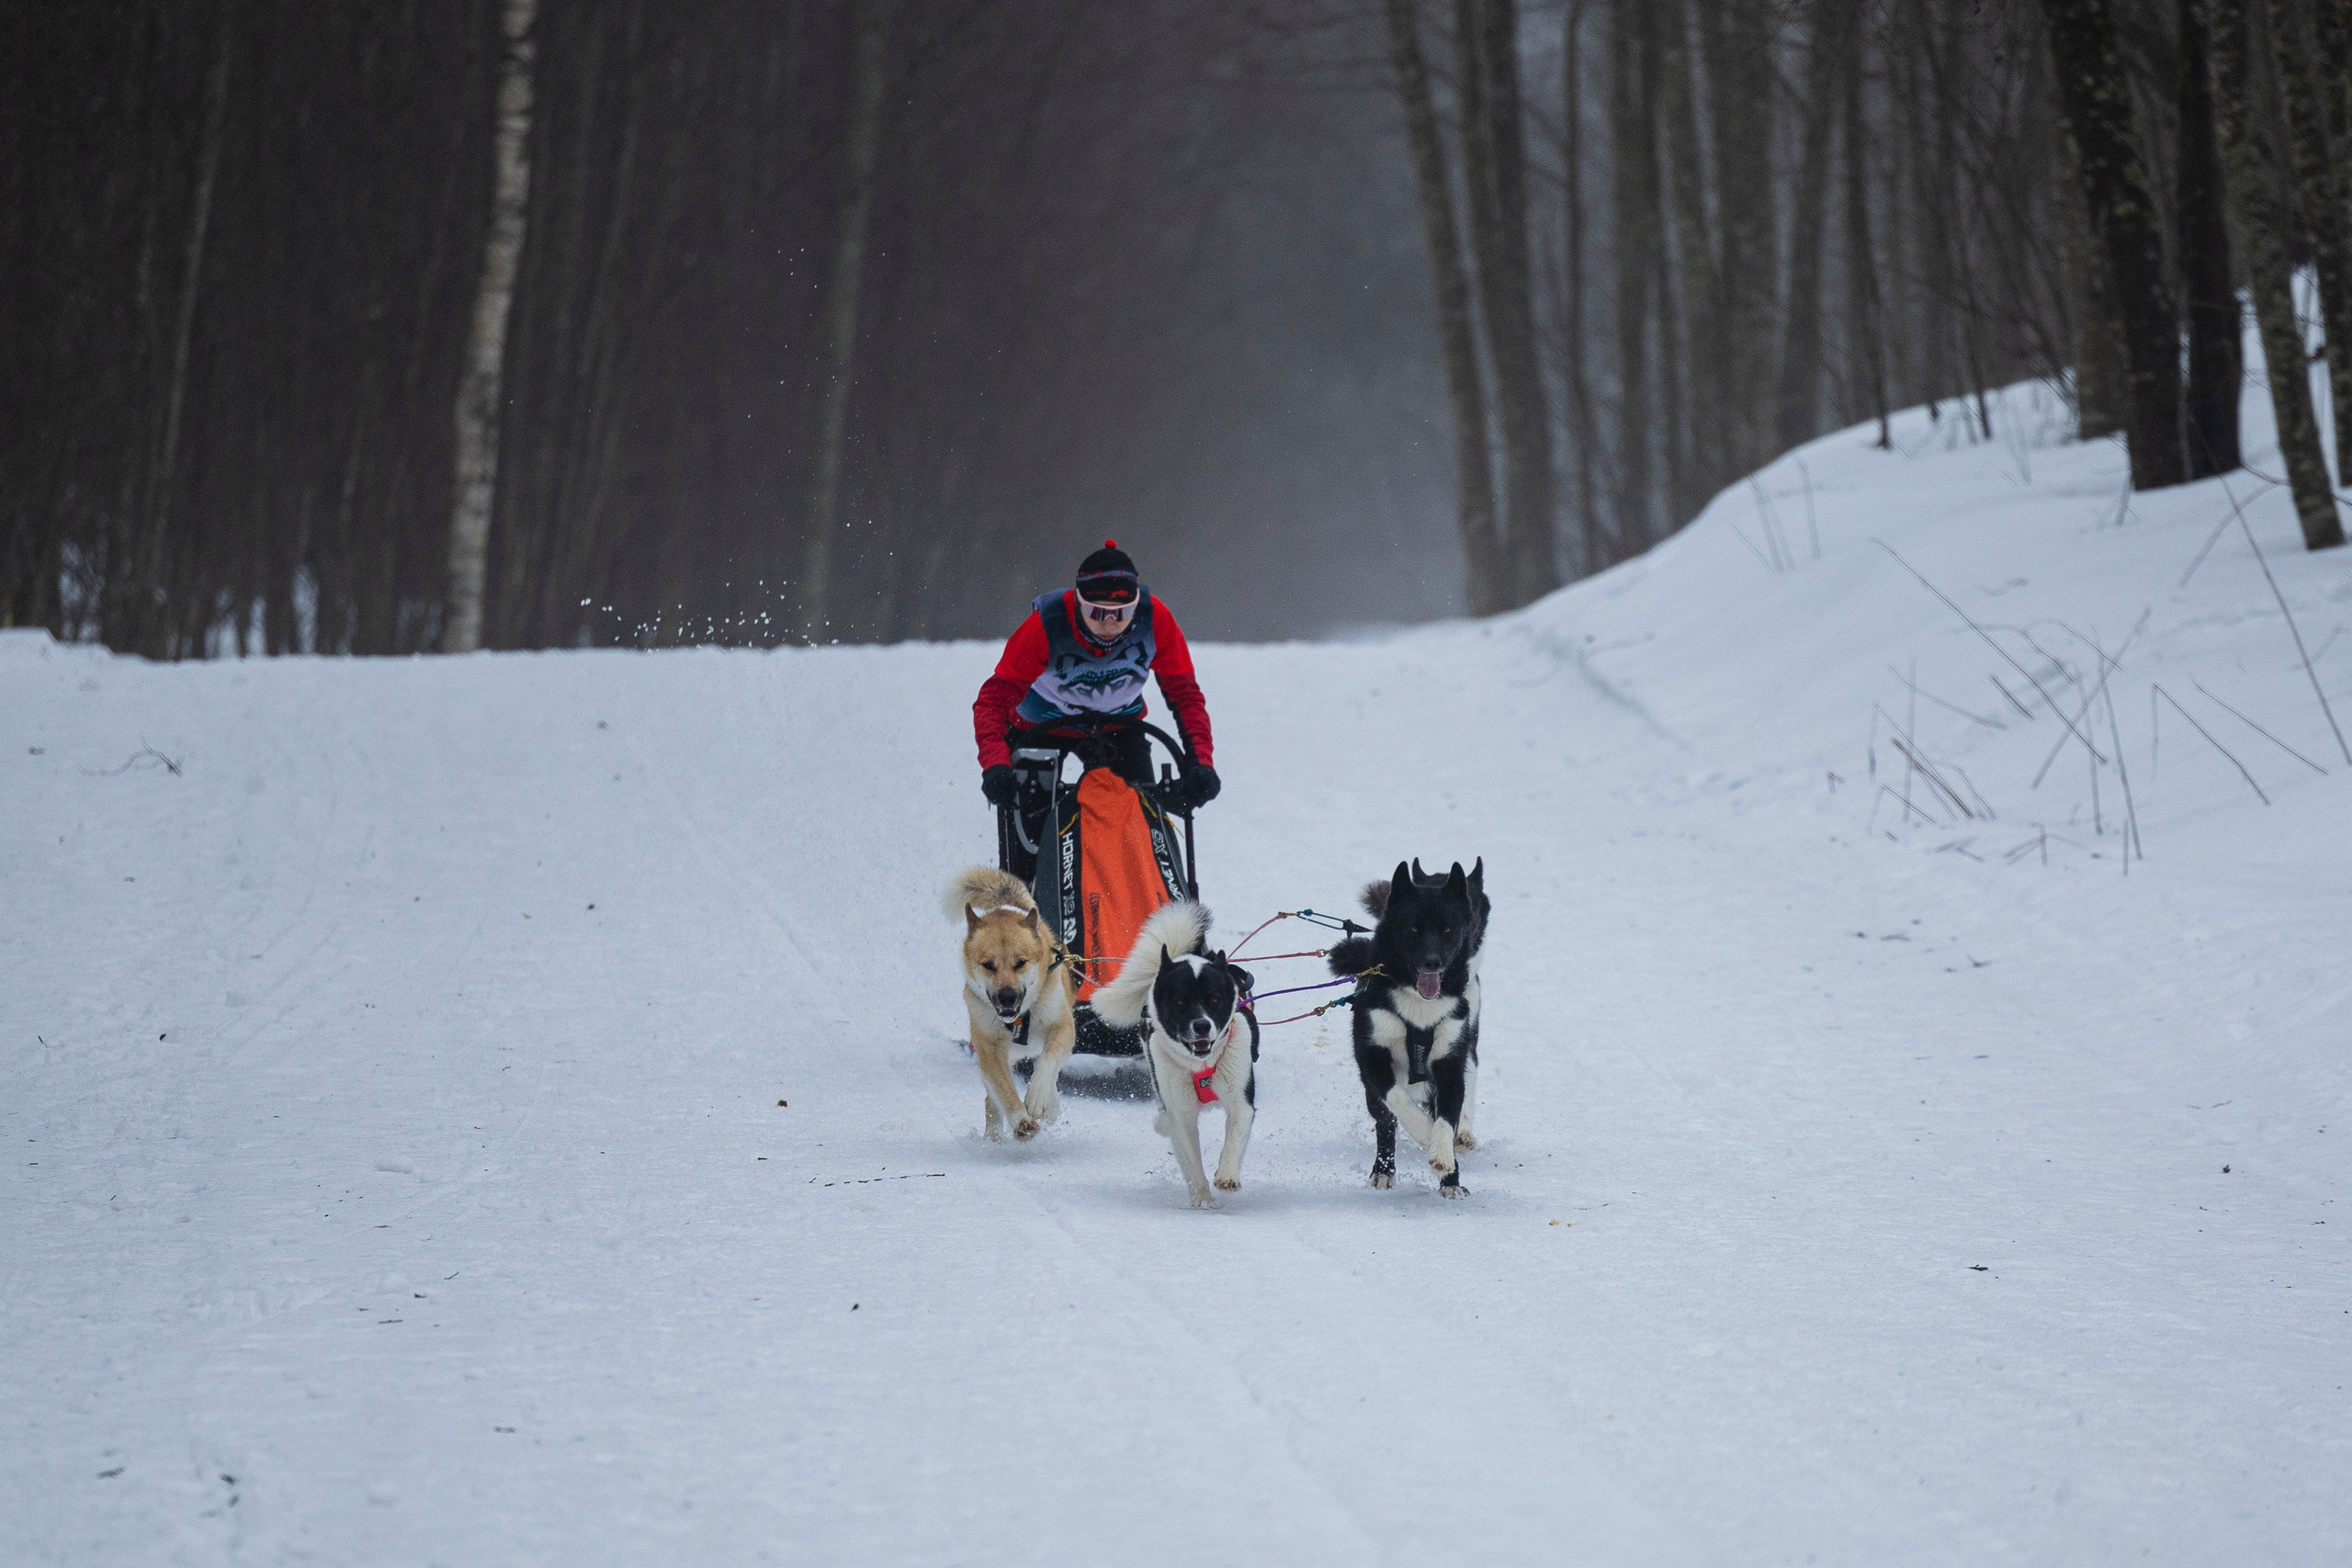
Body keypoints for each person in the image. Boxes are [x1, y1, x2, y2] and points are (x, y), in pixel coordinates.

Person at [972, 540, 1219, 811]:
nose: (1109, 624)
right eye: (1096, 612)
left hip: (1119, 726)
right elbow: (993, 700)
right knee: (1031, 827)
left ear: (1136, 607)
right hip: (1039, 727)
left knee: (1140, 820)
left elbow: (1186, 697)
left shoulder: (1156, 620)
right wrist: (995, 763)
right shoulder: (1047, 625)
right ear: (1079, 604)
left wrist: (1201, 763)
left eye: (1122, 613)